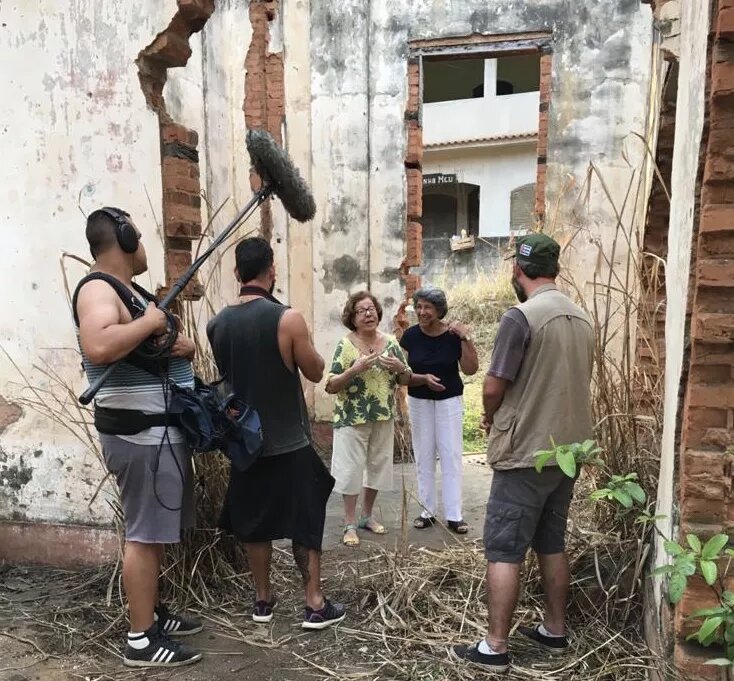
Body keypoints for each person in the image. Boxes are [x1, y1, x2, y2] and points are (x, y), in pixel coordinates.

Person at [451, 233, 594, 671]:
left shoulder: (521, 318)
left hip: (526, 452)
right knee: (552, 543)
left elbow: (493, 386)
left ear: (518, 270)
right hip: (567, 452)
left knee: (504, 549)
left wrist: (491, 416)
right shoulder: (582, 316)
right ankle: (555, 629)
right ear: (556, 269)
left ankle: (494, 647)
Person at [74, 207, 202, 668]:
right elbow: (100, 345)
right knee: (144, 536)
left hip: (159, 433)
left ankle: (153, 612)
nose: (144, 246)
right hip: (140, 436)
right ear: (125, 239)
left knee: (153, 534)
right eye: (140, 237)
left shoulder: (127, 291)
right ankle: (141, 640)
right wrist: (150, 325)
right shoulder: (97, 290)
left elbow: (147, 345)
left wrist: (175, 342)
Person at [206, 237, 346, 630]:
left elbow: (232, 378)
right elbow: (316, 371)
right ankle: (314, 604)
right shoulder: (287, 319)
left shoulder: (216, 325)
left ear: (237, 273)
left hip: (244, 443)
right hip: (288, 439)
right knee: (305, 518)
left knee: (253, 523)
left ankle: (262, 601)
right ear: (272, 271)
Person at [325, 291, 442, 546]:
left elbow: (405, 378)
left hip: (382, 415)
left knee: (378, 467)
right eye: (361, 311)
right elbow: (331, 385)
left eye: (371, 309)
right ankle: (349, 523)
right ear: (352, 318)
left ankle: (367, 516)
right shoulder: (346, 345)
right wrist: (354, 370)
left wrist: (401, 369)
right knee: (351, 470)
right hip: (351, 417)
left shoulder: (390, 342)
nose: (368, 314)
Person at [399, 287, 479, 534]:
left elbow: (471, 369)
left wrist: (465, 338)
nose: (422, 312)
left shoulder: (453, 335)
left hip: (449, 401)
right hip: (419, 401)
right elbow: (401, 376)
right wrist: (422, 379)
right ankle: (427, 510)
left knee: (451, 455)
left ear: (439, 310)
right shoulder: (410, 336)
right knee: (423, 454)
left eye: (428, 308)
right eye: (419, 307)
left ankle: (454, 514)